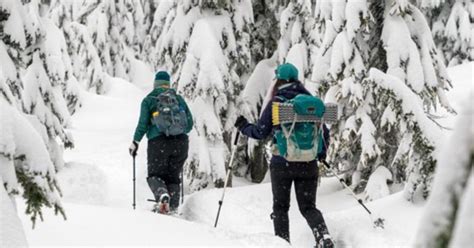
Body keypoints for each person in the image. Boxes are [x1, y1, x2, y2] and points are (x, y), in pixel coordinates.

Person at [234, 63, 334, 247]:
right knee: (308, 207)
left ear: (279, 80)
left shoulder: (277, 103)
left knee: (280, 208)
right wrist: (320, 154)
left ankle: (283, 244)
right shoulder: (313, 104)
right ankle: (323, 237)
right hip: (308, 164)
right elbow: (323, 134)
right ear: (296, 80)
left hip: (282, 163)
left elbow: (260, 133)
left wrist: (243, 127)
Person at [129, 71, 193, 214]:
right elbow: (189, 125)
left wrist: (135, 142)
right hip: (181, 143)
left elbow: (142, 124)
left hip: (158, 144)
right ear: (168, 83)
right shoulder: (178, 99)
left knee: (155, 175)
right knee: (173, 176)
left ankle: (162, 195)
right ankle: (173, 208)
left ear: (155, 84)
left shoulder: (149, 100)